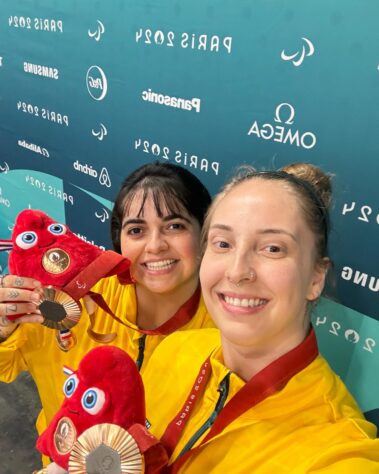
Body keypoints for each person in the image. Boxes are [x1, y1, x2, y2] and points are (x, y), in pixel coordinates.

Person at [143, 163, 379, 473]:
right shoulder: (174, 349)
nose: (238, 271)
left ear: (315, 278)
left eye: (272, 248)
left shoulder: (338, 451)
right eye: (223, 244)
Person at [0, 162, 214, 454]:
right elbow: (6, 364)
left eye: (175, 226)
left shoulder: (224, 330)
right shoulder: (74, 297)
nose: (155, 245)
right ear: (119, 241)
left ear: (205, 236)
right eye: (137, 230)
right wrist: (3, 327)